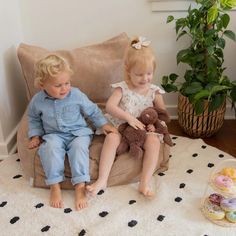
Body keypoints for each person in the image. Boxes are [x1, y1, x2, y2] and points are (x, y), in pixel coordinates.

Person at [27, 54, 117, 210]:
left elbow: (92, 111)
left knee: (79, 148)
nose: (64, 88)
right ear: (42, 85)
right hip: (53, 135)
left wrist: (103, 124)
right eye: (58, 85)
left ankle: (80, 185)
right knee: (50, 148)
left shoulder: (76, 94)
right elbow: (33, 118)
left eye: (67, 83)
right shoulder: (37, 101)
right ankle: (55, 185)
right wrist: (35, 135)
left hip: (79, 133)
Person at [87, 36, 168, 198]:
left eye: (149, 73)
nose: (145, 79)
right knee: (111, 139)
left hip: (144, 131)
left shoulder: (154, 91)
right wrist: (129, 118)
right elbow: (110, 107)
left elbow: (162, 113)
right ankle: (103, 179)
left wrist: (155, 125)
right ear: (127, 70)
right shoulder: (121, 88)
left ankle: (144, 182)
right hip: (123, 127)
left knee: (153, 141)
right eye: (139, 74)